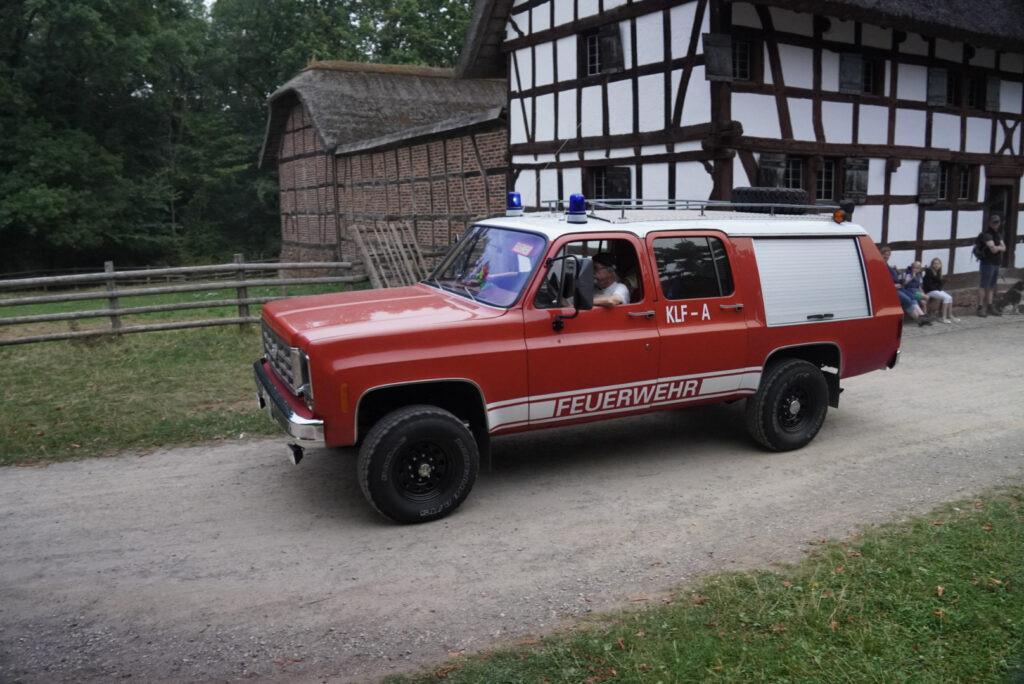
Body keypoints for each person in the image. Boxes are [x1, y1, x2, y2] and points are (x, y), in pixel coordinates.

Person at [880, 246, 931, 326]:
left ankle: (923, 316)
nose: (886, 256)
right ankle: (919, 320)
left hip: (899, 287)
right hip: (892, 289)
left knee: (912, 297)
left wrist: (895, 270)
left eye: (888, 255)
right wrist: (893, 286)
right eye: (885, 254)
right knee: (907, 300)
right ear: (880, 254)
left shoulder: (887, 265)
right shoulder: (879, 265)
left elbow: (898, 276)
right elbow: (881, 280)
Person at [977, 213, 1007, 317]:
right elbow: (993, 249)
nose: (996, 224)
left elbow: (1004, 248)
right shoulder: (987, 234)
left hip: (996, 263)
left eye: (997, 222)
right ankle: (980, 307)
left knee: (991, 286)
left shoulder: (998, 234)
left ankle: (990, 306)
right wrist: (999, 247)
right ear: (990, 223)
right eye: (994, 222)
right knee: (984, 285)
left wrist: (998, 247)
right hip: (987, 263)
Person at [922, 257, 959, 323]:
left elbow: (939, 284)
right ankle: (943, 317)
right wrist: (937, 288)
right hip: (929, 291)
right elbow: (928, 285)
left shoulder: (938, 272)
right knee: (946, 298)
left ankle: (950, 315)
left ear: (940, 265)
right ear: (932, 264)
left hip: (936, 290)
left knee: (950, 298)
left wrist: (941, 285)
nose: (936, 265)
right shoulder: (929, 272)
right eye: (935, 263)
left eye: (938, 264)